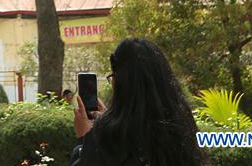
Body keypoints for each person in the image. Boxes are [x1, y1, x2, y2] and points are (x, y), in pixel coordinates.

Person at [69, 38, 203, 166]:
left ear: (121, 83)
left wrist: (85, 138)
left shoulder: (108, 139)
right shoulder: (182, 129)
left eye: (113, 77)